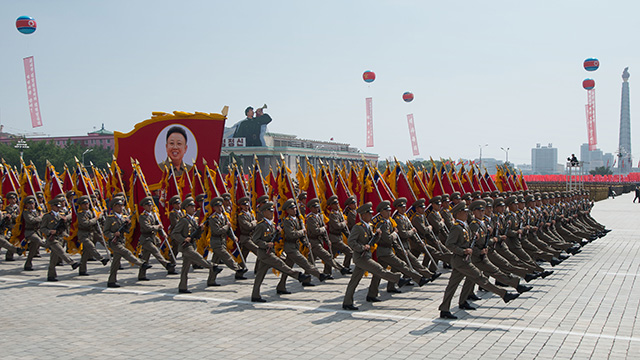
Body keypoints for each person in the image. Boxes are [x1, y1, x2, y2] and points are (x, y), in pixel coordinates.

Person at [438, 202, 520, 319]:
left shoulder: (464, 225)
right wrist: (463, 251)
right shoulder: (456, 227)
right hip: (461, 261)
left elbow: (469, 240)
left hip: (462, 261)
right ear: (459, 213)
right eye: (465, 212)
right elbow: (449, 244)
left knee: (452, 285)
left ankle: (445, 309)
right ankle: (504, 294)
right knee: (480, 277)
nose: (467, 214)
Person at [342, 202, 408, 310]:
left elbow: (372, 242)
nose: (371, 216)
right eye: (369, 214)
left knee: (354, 281)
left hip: (365, 257)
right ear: (363, 215)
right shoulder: (357, 227)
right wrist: (362, 247)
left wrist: (377, 235)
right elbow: (351, 242)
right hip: (361, 257)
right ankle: (398, 279)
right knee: (379, 269)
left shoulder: (369, 227)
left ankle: (347, 303)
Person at [251, 201, 311, 302]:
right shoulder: (261, 225)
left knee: (260, 275)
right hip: (265, 253)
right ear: (264, 212)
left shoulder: (272, 225)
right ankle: (298, 275)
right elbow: (255, 240)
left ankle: (255, 295)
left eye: (272, 211)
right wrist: (266, 244)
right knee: (280, 264)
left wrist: (278, 232)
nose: (271, 213)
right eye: (270, 211)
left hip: (270, 252)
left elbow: (274, 238)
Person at [170, 198, 221, 293]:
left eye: (194, 206)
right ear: (186, 208)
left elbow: (196, 236)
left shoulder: (194, 220)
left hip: (192, 244)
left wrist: (200, 230)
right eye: (191, 207)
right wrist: (183, 239)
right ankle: (212, 266)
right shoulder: (184, 220)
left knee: (185, 268)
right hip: (186, 246)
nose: (193, 208)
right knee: (197, 257)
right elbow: (174, 233)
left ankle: (182, 287)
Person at [104, 197, 151, 288]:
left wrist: (128, 223)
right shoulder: (110, 218)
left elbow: (127, 230)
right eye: (119, 206)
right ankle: (141, 264)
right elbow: (105, 232)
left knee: (116, 263)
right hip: (114, 243)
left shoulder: (123, 217)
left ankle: (111, 281)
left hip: (121, 241)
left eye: (122, 206)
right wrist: (114, 234)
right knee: (126, 252)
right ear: (114, 207)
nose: (121, 208)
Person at [207, 196, 247, 286]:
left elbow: (228, 231)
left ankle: (211, 280)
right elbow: (217, 231)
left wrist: (233, 237)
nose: (220, 208)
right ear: (214, 208)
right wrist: (227, 226)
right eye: (217, 207)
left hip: (222, 241)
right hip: (216, 242)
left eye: (221, 206)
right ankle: (238, 268)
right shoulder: (213, 218)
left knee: (215, 262)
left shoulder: (224, 216)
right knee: (226, 256)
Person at [137, 196, 176, 280]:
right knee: (155, 251)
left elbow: (159, 226)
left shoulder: (153, 215)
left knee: (145, 258)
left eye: (150, 205)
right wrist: (157, 227)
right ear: (144, 206)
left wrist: (163, 233)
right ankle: (166, 264)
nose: (150, 207)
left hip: (153, 238)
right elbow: (147, 227)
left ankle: (141, 275)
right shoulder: (142, 216)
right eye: (148, 205)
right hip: (146, 238)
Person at [40, 197, 80, 281]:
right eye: (56, 206)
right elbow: (42, 228)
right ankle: (72, 263)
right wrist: (50, 232)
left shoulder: (61, 215)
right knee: (61, 251)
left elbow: (71, 216)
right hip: (52, 239)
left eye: (59, 206)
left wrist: (65, 219)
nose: (58, 208)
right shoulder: (47, 216)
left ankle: (51, 275)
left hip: (60, 238)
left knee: (54, 258)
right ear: (52, 206)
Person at [76, 195, 109, 276]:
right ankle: (101, 259)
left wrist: (100, 216)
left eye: (87, 203)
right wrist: (96, 218)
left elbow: (96, 222)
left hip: (91, 233)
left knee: (85, 253)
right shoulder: (80, 214)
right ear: (81, 205)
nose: (86, 205)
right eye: (84, 204)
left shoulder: (91, 212)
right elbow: (86, 223)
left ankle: (82, 270)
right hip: (83, 234)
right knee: (91, 247)